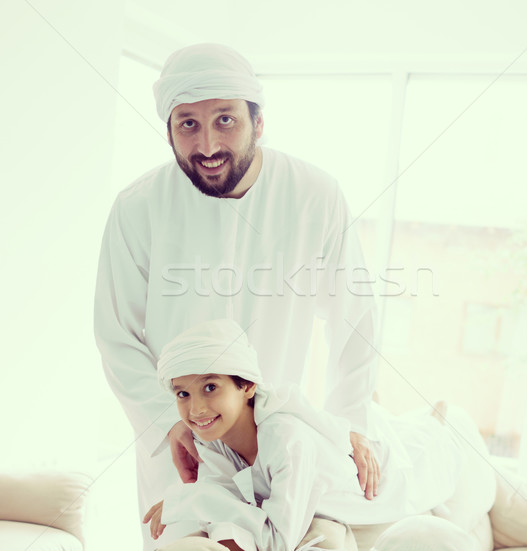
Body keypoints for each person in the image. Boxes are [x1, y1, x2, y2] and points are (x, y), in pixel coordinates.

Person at [94, 43, 380, 549]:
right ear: (167, 130)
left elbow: (353, 321)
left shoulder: (315, 195)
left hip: (275, 446)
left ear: (259, 123)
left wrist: (348, 426)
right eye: (188, 124)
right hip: (183, 445)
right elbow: (116, 333)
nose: (207, 145)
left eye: (225, 120)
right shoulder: (137, 208)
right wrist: (168, 425)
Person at [144, 319, 497, 551]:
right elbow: (225, 515)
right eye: (182, 394)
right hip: (374, 446)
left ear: (247, 386)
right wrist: (201, 499)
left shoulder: (286, 440)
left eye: (210, 387)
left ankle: (438, 416)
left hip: (423, 463)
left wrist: (189, 498)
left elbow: (278, 541)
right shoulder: (214, 443)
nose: (196, 410)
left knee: (439, 431)